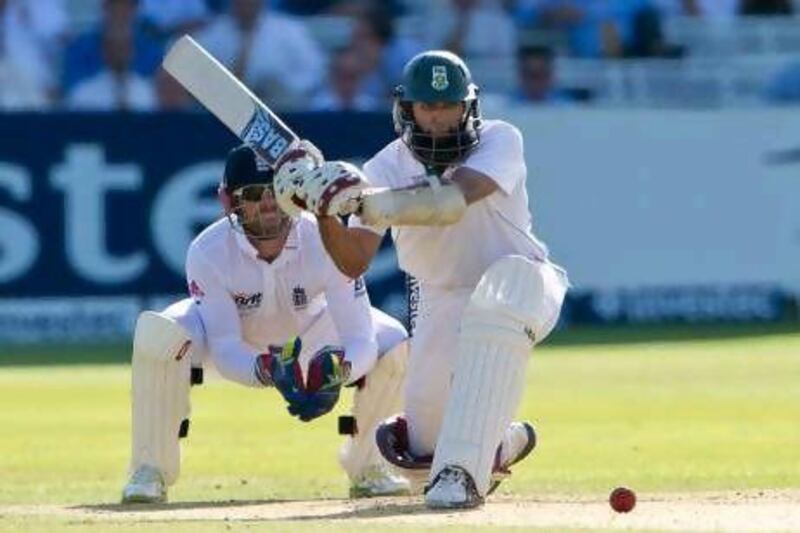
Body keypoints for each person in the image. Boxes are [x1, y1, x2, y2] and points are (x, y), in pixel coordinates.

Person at [272, 50, 569, 509]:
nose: (437, 118)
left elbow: (454, 200)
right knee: (421, 454)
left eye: (448, 106)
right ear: (406, 111)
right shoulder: (384, 167)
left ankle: (464, 474)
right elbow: (354, 262)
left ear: (468, 107)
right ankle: (498, 443)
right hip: (441, 299)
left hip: (523, 281)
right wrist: (326, 211)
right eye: (426, 107)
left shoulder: (500, 139)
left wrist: (366, 202)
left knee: (500, 297)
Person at [121, 144, 410, 503]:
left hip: (314, 337)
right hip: (241, 346)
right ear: (228, 202)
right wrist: (268, 369)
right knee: (159, 336)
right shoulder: (208, 251)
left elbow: (360, 336)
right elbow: (226, 347)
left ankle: (370, 467)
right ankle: (150, 470)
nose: (269, 204)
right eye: (254, 195)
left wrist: (341, 369)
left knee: (393, 341)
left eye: (278, 192)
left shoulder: (324, 239)